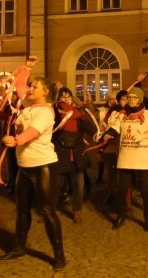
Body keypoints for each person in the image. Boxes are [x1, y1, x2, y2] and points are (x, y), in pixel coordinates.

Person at [0, 77, 66, 272]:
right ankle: (18, 248)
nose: (30, 88)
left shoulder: (46, 111)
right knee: (21, 210)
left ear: (45, 92)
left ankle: (59, 255)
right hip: (24, 167)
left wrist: (17, 140)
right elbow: (19, 86)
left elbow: (33, 132)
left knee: (46, 211)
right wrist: (26, 68)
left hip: (43, 166)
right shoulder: (27, 108)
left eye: (35, 86)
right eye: (30, 85)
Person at [105, 86, 148, 231]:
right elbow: (114, 128)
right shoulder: (122, 115)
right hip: (126, 157)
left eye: (134, 98)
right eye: (129, 98)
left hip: (142, 158)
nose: (131, 100)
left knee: (145, 190)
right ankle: (121, 216)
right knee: (122, 189)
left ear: (139, 99)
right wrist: (108, 134)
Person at [52, 87, 97, 224]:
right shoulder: (54, 113)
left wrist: (88, 107)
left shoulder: (78, 114)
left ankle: (77, 211)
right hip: (61, 154)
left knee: (78, 185)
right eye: (62, 96)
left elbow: (92, 129)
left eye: (68, 96)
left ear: (72, 98)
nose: (65, 99)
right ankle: (49, 212)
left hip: (77, 154)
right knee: (56, 185)